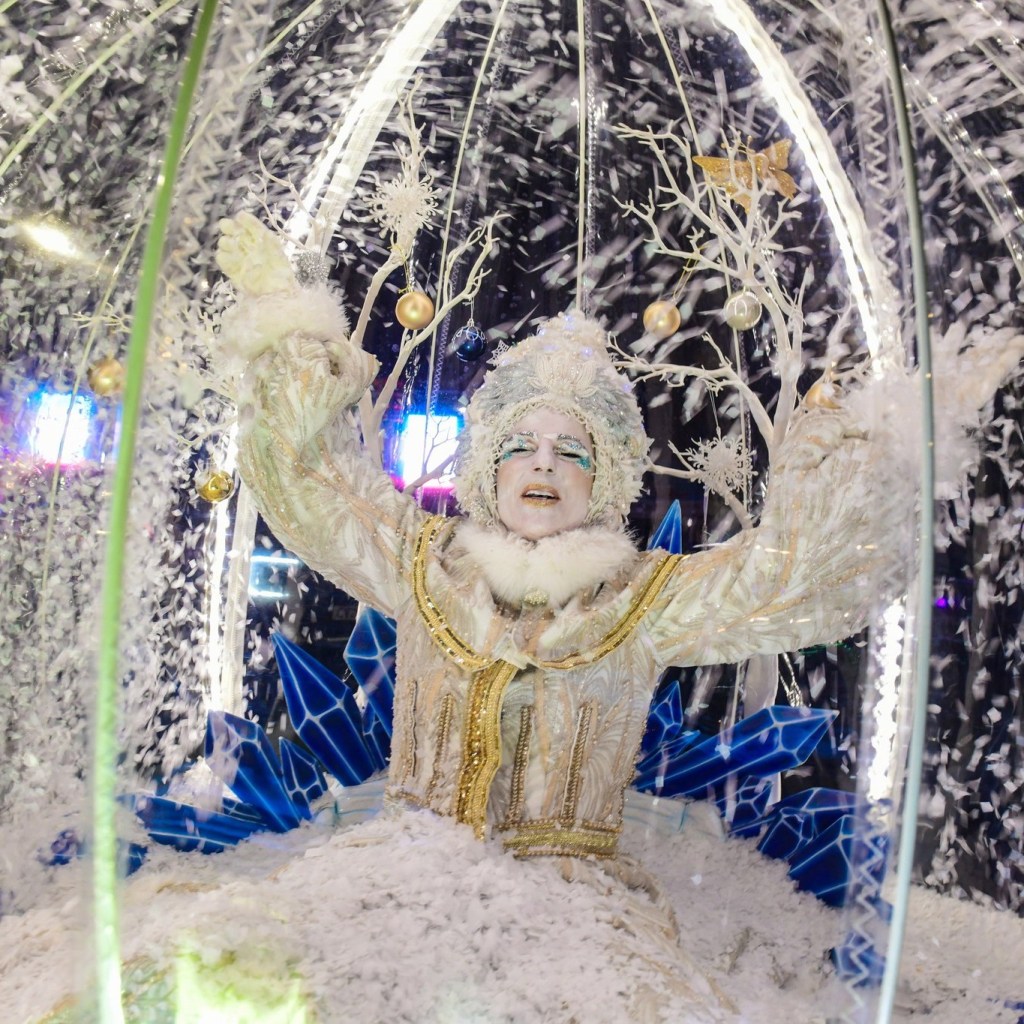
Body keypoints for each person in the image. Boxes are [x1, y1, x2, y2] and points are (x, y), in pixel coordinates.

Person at [209, 212, 905, 1021]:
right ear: (488, 467)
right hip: (401, 871)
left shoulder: (646, 598)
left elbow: (786, 582)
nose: (543, 464)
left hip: (572, 910)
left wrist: (868, 447)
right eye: (521, 445)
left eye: (571, 452)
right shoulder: (419, 559)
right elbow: (309, 480)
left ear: (601, 484)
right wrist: (285, 314)